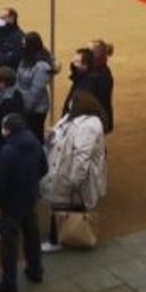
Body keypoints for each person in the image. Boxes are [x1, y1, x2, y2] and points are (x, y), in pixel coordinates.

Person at [0, 112, 47, 292]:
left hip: (12, 203)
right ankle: (35, 270)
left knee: (9, 243)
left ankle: (9, 282)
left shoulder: (7, 152)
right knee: (32, 234)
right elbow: (44, 167)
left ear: (8, 130)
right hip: (29, 196)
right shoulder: (35, 143)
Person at [41, 93, 107, 252]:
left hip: (69, 173)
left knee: (66, 206)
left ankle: (62, 238)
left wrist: (75, 180)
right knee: (61, 205)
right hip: (63, 169)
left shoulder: (88, 126)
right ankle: (61, 237)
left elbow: (82, 156)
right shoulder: (72, 119)